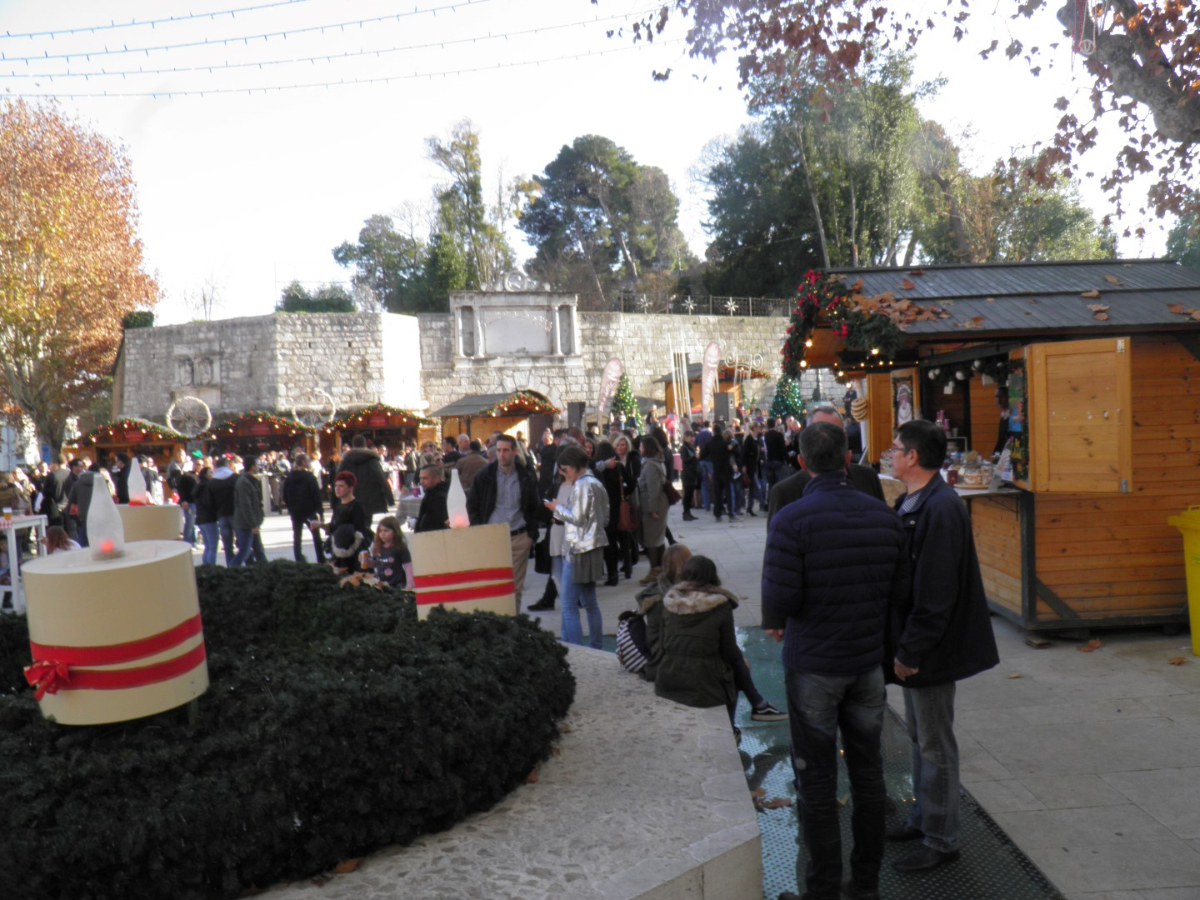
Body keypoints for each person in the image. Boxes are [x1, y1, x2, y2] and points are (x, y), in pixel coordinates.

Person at [762, 422, 909, 900]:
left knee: (817, 781)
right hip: (866, 662)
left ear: (802, 463)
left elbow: (781, 599)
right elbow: (900, 592)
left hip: (814, 665)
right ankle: (865, 886)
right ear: (848, 460)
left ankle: (823, 889)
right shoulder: (884, 516)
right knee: (868, 775)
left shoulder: (792, 519)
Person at [887, 419, 1000, 873]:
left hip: (930, 650)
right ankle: (923, 819)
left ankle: (941, 839)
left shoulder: (941, 507)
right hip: (919, 645)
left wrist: (911, 651)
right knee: (920, 738)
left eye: (895, 449)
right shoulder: (915, 500)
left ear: (913, 457)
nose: (890, 455)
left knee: (935, 744)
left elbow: (935, 592)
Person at [654, 555, 741, 722]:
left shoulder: (669, 601)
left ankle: (757, 704)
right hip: (706, 686)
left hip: (668, 679)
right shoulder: (721, 605)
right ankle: (737, 723)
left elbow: (663, 642)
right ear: (712, 576)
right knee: (737, 668)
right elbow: (729, 650)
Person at [767, 403, 885, 527]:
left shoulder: (868, 478)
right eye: (818, 433)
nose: (827, 439)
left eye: (835, 432)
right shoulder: (785, 492)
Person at [466, 434, 540, 612]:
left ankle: (513, 622)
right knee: (493, 584)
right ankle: (497, 620)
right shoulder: (485, 476)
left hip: (519, 536)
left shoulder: (525, 475)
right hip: (493, 536)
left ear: (514, 451)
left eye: (506, 450)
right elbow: (472, 505)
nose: (502, 454)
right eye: (499, 450)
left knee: (515, 587)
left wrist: (531, 534)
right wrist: (480, 530)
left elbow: (534, 505)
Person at [544, 444, 608, 648]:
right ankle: (595, 647)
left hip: (579, 549)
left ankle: (576, 650)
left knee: (568, 604)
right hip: (594, 545)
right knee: (590, 603)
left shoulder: (582, 484)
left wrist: (557, 508)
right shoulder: (596, 482)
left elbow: (577, 518)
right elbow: (605, 517)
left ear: (573, 465)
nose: (564, 473)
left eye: (565, 469)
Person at [313, 471, 372, 573]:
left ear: (350, 488)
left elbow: (360, 532)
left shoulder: (356, 506)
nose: (337, 489)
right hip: (338, 549)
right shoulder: (338, 505)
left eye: (341, 486)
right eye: (336, 486)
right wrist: (320, 525)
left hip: (353, 553)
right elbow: (333, 527)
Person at [338, 435, 394, 521]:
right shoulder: (372, 460)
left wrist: (334, 500)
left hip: (351, 496)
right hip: (370, 497)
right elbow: (381, 478)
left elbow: (337, 479)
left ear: (353, 445)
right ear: (365, 445)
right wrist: (390, 499)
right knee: (367, 522)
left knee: (352, 521)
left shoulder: (346, 461)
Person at [636, 436, 669, 585]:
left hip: (653, 503)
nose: (639, 449)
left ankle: (655, 571)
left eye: (641, 446)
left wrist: (652, 508)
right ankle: (662, 570)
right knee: (657, 539)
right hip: (656, 501)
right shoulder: (657, 460)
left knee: (652, 540)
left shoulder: (650, 464)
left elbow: (653, 488)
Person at [282, 454, 324, 564]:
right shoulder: (310, 477)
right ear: (304, 462)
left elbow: (285, 495)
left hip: (295, 511)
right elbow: (316, 495)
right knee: (316, 536)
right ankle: (321, 558)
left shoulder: (289, 477)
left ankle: (299, 559)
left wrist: (290, 508)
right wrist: (320, 511)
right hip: (310, 511)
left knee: (297, 537)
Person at [232, 456, 268, 566]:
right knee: (244, 551)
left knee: (259, 551)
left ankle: (265, 571)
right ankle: (231, 569)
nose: (258, 467)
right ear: (252, 467)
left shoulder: (250, 481)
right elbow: (245, 505)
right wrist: (253, 525)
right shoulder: (244, 482)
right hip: (246, 524)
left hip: (252, 523)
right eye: (256, 465)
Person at [361, 514, 413, 588]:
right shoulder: (378, 547)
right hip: (382, 583)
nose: (382, 534)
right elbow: (375, 563)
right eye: (380, 531)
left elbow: (408, 566)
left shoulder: (400, 547)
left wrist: (409, 584)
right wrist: (366, 561)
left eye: (386, 531)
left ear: (395, 531)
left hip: (398, 583)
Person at [206, 456, 238, 566]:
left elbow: (210, 501)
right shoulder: (235, 478)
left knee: (228, 545)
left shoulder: (212, 482)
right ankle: (242, 564)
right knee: (243, 543)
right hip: (235, 513)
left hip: (221, 515)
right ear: (227, 465)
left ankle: (231, 566)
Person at [414, 464, 450, 533]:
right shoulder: (430, 492)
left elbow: (435, 524)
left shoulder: (439, 497)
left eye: (425, 478)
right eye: (420, 478)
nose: (421, 482)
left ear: (436, 479)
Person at [194, 466, 219, 565]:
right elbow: (209, 503)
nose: (213, 474)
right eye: (211, 472)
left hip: (201, 518)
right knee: (212, 547)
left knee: (208, 547)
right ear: (206, 475)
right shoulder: (208, 487)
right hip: (209, 518)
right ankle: (211, 568)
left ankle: (206, 567)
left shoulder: (198, 486)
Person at [177, 456, 201, 546]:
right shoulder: (187, 475)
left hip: (198, 503)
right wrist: (183, 500)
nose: (199, 466)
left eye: (201, 465)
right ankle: (188, 542)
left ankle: (194, 542)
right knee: (190, 523)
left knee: (195, 524)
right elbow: (180, 488)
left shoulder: (200, 477)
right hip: (189, 502)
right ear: (193, 465)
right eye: (197, 464)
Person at [679, 430, 700, 521]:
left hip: (693, 473)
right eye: (690, 437)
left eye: (693, 437)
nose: (692, 439)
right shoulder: (684, 448)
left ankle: (688, 512)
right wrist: (694, 457)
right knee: (687, 495)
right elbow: (685, 460)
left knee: (690, 494)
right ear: (685, 438)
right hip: (687, 474)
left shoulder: (691, 447)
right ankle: (685, 513)